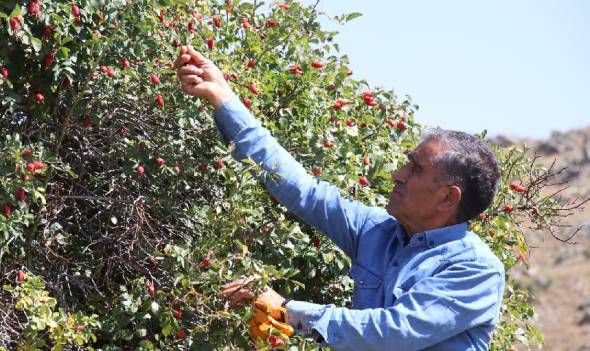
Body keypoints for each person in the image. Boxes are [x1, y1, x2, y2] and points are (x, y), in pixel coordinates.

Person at [175, 45, 505, 351]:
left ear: (448, 198)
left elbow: (393, 332)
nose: (397, 174)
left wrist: (287, 311)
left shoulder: (475, 269)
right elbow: (300, 189)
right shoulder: (377, 230)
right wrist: (223, 98)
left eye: (415, 169)